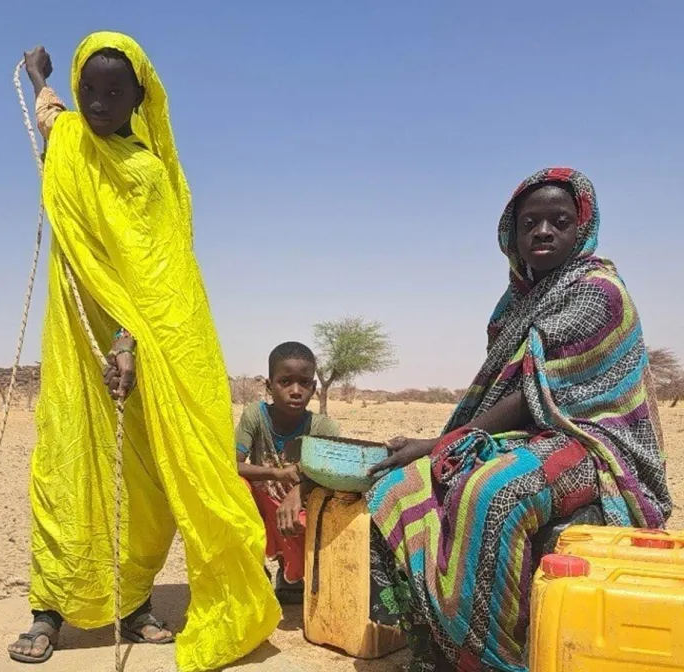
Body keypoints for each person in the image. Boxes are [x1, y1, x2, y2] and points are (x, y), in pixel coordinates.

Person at [8, 33, 280, 669]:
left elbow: (154, 280)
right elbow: (50, 114)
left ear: (140, 99)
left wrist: (128, 343)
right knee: (69, 464)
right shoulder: (70, 139)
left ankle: (131, 605)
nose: (99, 104)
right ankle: (49, 613)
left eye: (114, 93)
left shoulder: (146, 174)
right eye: (89, 91)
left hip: (144, 347)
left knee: (150, 481)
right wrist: (38, 77)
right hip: (78, 339)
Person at [364, 168, 671, 672]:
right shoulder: (515, 304)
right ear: (511, 234)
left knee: (491, 494)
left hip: (594, 441)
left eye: (559, 221)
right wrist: (438, 449)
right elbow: (508, 394)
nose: (544, 231)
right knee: (399, 488)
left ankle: (487, 659)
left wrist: (441, 441)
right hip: (528, 435)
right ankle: (435, 644)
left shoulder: (599, 293)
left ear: (582, 228)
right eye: (530, 222)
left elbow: (536, 393)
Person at [235, 342, 340, 604]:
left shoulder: (322, 427)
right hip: (262, 505)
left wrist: (297, 490)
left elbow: (336, 474)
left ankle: (290, 573)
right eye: (285, 382)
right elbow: (232, 465)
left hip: (300, 509)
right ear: (269, 387)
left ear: (314, 389)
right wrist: (278, 474)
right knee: (234, 487)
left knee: (321, 511)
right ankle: (252, 573)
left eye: (304, 383)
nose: (295, 391)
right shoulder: (256, 416)